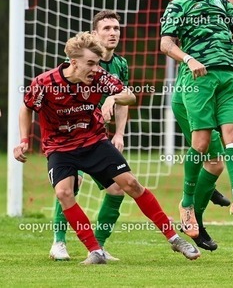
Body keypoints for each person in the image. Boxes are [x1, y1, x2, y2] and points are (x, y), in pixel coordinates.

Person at [14, 32, 200, 264]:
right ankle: (94, 250)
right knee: (64, 192)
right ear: (74, 62)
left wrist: (112, 99)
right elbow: (26, 107)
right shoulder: (45, 83)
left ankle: (174, 239)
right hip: (60, 148)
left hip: (94, 142)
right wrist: (23, 140)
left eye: (97, 63)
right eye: (90, 63)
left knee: (130, 184)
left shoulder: (99, 77)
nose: (95, 68)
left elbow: (130, 96)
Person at [160, 0, 233, 242]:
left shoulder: (220, 2)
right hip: (198, 78)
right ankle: (187, 203)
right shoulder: (177, 6)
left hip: (229, 76)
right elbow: (166, 43)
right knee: (201, 144)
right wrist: (188, 59)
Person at [49, 10, 130, 261]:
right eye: (106, 28)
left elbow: (124, 99)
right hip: (74, 137)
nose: (113, 33)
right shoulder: (78, 63)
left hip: (101, 139)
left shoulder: (120, 65)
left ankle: (98, 246)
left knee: (118, 188)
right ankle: (58, 243)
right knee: (72, 184)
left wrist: (119, 133)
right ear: (95, 34)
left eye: (116, 28)